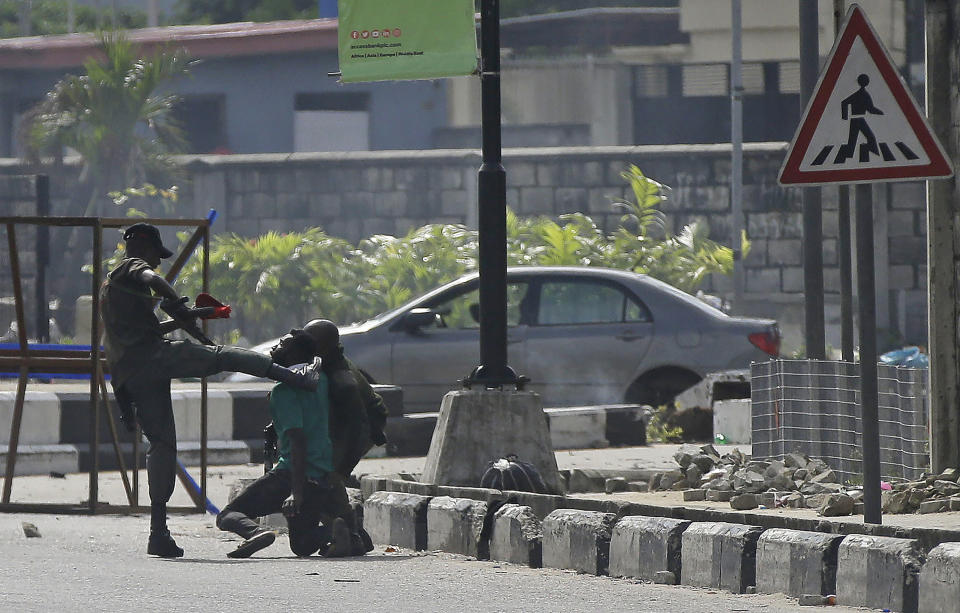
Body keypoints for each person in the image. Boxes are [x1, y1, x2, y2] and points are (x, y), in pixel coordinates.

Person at [99, 223, 321, 558]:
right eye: (155, 255)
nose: (157, 263)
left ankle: (158, 533)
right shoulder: (133, 268)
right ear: (143, 247)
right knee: (225, 356)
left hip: (133, 373)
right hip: (155, 358)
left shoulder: (110, 289)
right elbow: (153, 280)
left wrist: (190, 317)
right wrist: (175, 302)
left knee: (161, 445)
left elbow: (129, 337)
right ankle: (297, 378)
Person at [215, 328, 354, 559]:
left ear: (294, 354)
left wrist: (295, 493)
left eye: (281, 344)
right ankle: (334, 532)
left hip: (291, 476)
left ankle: (255, 532)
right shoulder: (322, 383)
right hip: (320, 476)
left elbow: (297, 439)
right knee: (301, 545)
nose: (273, 348)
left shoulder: (284, 391)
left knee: (228, 514)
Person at [300, 318, 388, 555]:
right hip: (343, 423)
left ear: (324, 346)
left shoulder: (342, 380)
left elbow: (358, 425)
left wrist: (344, 466)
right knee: (324, 475)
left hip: (364, 425)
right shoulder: (324, 362)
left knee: (327, 476)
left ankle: (348, 535)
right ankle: (354, 534)